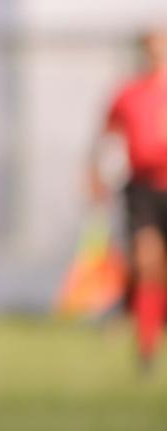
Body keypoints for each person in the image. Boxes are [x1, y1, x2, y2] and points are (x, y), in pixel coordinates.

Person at [89, 29, 167, 371]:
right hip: (143, 188)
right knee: (148, 261)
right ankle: (147, 350)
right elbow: (105, 138)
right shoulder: (128, 94)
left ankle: (134, 316)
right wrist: (95, 176)